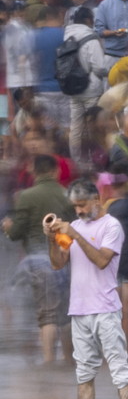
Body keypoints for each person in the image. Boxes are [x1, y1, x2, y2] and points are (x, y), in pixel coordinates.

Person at [45, 180, 128, 399]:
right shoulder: (74, 226)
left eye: (82, 205)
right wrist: (51, 238)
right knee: (83, 375)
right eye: (75, 206)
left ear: (97, 200)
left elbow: (102, 261)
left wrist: (75, 234)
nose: (79, 211)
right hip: (79, 310)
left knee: (119, 371)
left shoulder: (111, 226)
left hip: (106, 309)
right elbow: (57, 263)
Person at [2, 155, 75, 366]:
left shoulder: (26, 196)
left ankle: (49, 362)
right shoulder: (66, 195)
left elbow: (16, 233)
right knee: (66, 314)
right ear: (56, 171)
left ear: (35, 171)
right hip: (64, 261)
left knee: (47, 314)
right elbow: (73, 230)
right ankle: (69, 360)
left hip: (37, 261)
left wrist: (8, 227)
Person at [63, 6, 106, 162]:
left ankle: (76, 161)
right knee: (91, 127)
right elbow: (100, 67)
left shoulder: (66, 36)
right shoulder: (91, 38)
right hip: (91, 89)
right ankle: (92, 160)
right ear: (88, 20)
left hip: (72, 88)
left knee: (76, 128)